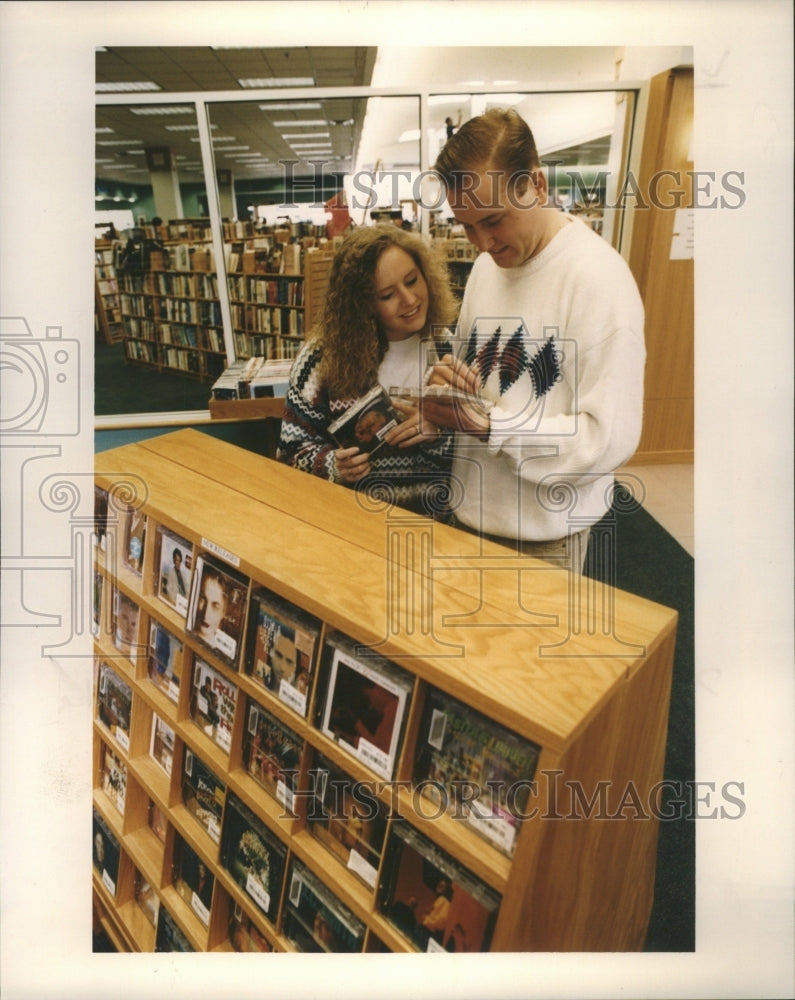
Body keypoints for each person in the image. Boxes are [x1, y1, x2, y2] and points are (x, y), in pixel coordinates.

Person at [423, 108, 646, 572]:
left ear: (537, 186)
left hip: (542, 541)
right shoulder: (489, 266)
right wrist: (450, 391)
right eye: (465, 225)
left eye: (493, 220)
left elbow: (606, 440)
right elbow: (483, 389)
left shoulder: (600, 282)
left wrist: (491, 426)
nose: (481, 242)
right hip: (466, 516)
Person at [277, 224, 459, 518]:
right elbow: (290, 453)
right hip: (351, 530)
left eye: (412, 281)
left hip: (438, 530)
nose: (409, 300)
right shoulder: (320, 361)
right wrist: (332, 464)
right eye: (387, 295)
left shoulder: (449, 351)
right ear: (361, 305)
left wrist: (438, 435)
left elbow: (478, 459)